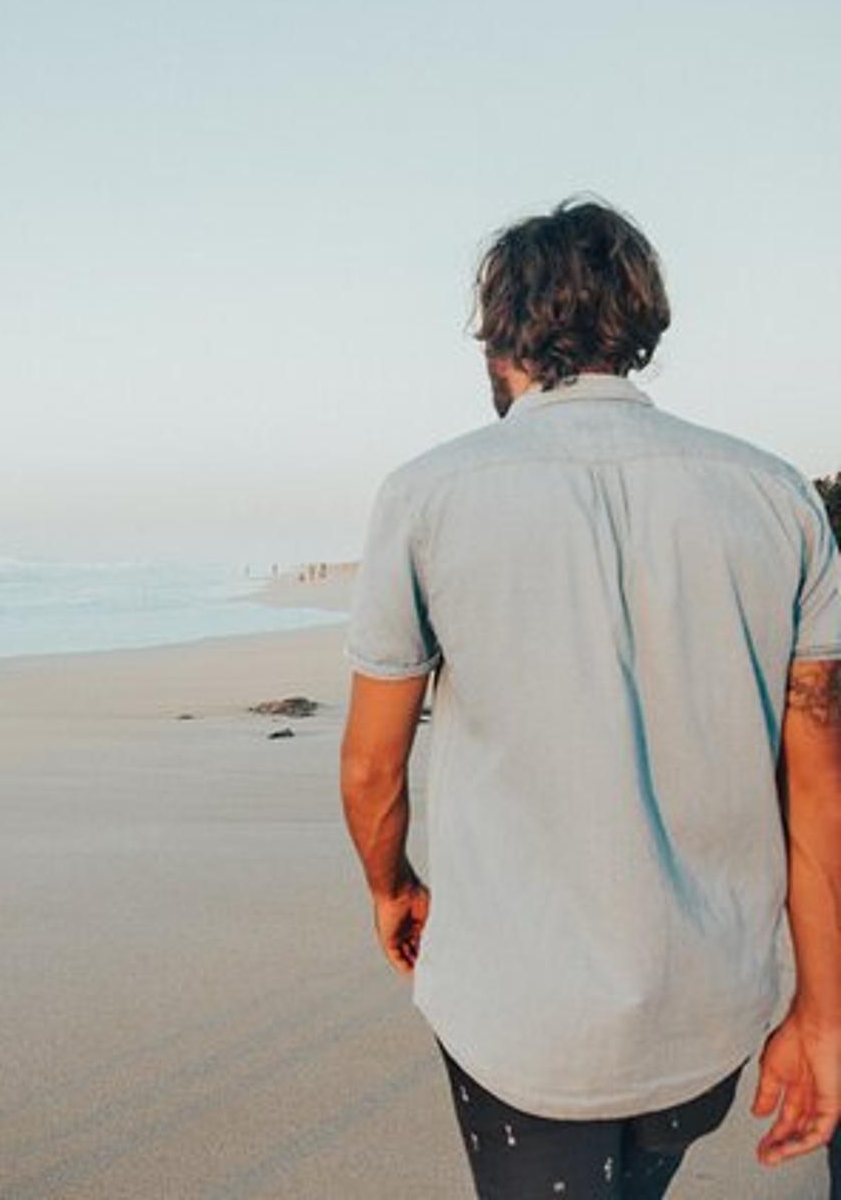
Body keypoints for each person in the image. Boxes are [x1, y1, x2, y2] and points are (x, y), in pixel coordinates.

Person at [338, 199, 841, 1198]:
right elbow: (820, 789)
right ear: (640, 325)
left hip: (521, 1018)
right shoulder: (774, 495)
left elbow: (369, 767)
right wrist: (821, 1015)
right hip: (706, 1008)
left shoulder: (428, 496)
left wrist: (390, 886)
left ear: (499, 339)